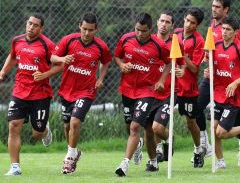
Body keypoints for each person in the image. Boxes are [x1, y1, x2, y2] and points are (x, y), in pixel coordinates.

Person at [50, 12, 112, 174]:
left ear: (96, 30)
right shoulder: (68, 40)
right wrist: (63, 59)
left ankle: (69, 159)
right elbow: (53, 58)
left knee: (75, 122)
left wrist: (100, 78)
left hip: (86, 91)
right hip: (67, 91)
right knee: (66, 126)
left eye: (90, 30)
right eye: (84, 29)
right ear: (79, 26)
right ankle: (74, 151)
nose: (86, 33)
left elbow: (105, 62)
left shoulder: (101, 46)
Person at [0, 14, 60, 176]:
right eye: (29, 23)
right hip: (19, 90)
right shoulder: (17, 40)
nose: (31, 27)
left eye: (35, 25)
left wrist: (45, 74)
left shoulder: (47, 45)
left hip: (40, 93)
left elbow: (60, 64)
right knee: (13, 126)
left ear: (41, 28)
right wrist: (3, 71)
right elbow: (13, 57)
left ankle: (45, 131)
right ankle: (15, 167)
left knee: (37, 133)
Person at [114, 13, 171, 177]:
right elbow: (117, 56)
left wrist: (161, 80)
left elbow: (169, 63)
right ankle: (152, 161)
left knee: (134, 127)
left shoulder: (158, 45)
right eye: (137, 29)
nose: (139, 33)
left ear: (150, 30)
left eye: (143, 31)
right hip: (127, 89)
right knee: (141, 128)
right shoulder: (126, 39)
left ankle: (124, 164)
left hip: (147, 91)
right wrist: (122, 65)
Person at [196, 0, 240, 158]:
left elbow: (238, 55)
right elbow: (210, 52)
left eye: (218, 7)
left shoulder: (232, 31)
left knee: (233, 120)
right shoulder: (212, 24)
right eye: (213, 6)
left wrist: (235, 80)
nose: (214, 9)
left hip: (229, 82)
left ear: (226, 10)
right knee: (198, 105)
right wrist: (207, 61)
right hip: (212, 78)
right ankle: (205, 145)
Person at [212, 15, 240, 169]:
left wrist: (236, 82)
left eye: (228, 30)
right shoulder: (215, 45)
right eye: (223, 29)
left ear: (236, 32)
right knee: (213, 129)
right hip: (218, 94)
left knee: (221, 132)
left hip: (233, 97)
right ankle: (221, 162)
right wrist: (209, 72)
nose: (224, 32)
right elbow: (213, 66)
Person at [150, 10, 185, 163]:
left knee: (158, 127)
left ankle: (169, 138)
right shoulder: (149, 41)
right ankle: (157, 152)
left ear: (172, 25)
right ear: (157, 22)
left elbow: (182, 65)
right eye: (162, 21)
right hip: (150, 91)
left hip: (170, 92)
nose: (164, 25)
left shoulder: (176, 43)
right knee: (150, 128)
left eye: (167, 22)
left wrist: (180, 71)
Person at [174, 7, 206, 168]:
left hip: (188, 88)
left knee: (190, 123)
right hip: (172, 86)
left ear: (197, 25)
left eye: (192, 23)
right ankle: (159, 151)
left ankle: (198, 149)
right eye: (186, 20)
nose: (187, 24)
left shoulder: (199, 41)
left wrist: (184, 56)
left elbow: (194, 68)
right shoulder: (176, 33)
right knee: (157, 121)